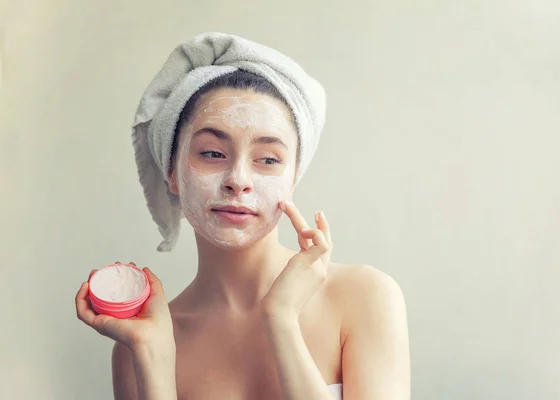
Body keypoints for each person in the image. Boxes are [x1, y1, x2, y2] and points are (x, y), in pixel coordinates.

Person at [75, 32, 410, 400]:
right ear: (171, 171)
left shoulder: (364, 298)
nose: (238, 180)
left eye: (267, 159)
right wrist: (155, 362)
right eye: (213, 153)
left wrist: (281, 319)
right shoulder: (137, 343)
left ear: (292, 178)